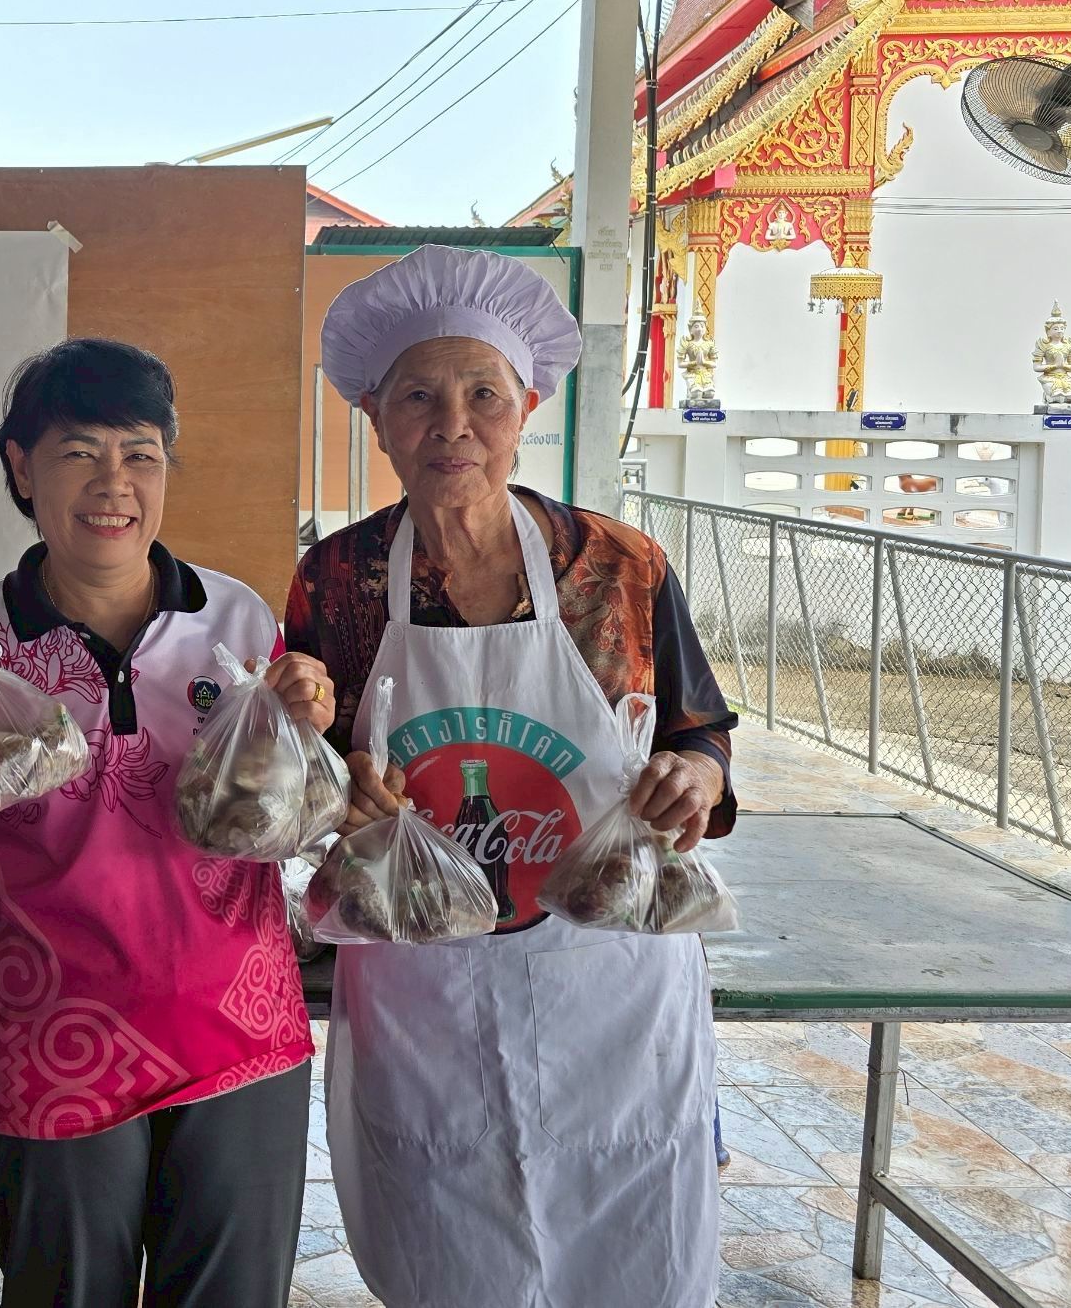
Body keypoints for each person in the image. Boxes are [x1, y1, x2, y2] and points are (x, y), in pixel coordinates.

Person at [286, 245, 735, 1308]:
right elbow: (298, 773)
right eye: (418, 398)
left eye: (483, 393)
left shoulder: (618, 567)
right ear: (374, 413)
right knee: (446, 1235)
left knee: (632, 1231)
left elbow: (702, 728)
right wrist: (334, 791)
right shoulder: (337, 578)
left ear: (527, 402)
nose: (454, 425)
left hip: (610, 980)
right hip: (418, 983)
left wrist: (695, 778)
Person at [0, 338, 336, 1308]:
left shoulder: (239, 624)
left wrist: (304, 731)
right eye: (78, 451)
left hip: (238, 1036)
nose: (114, 483)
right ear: (20, 466)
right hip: (44, 1044)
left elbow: (288, 826)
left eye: (141, 452)